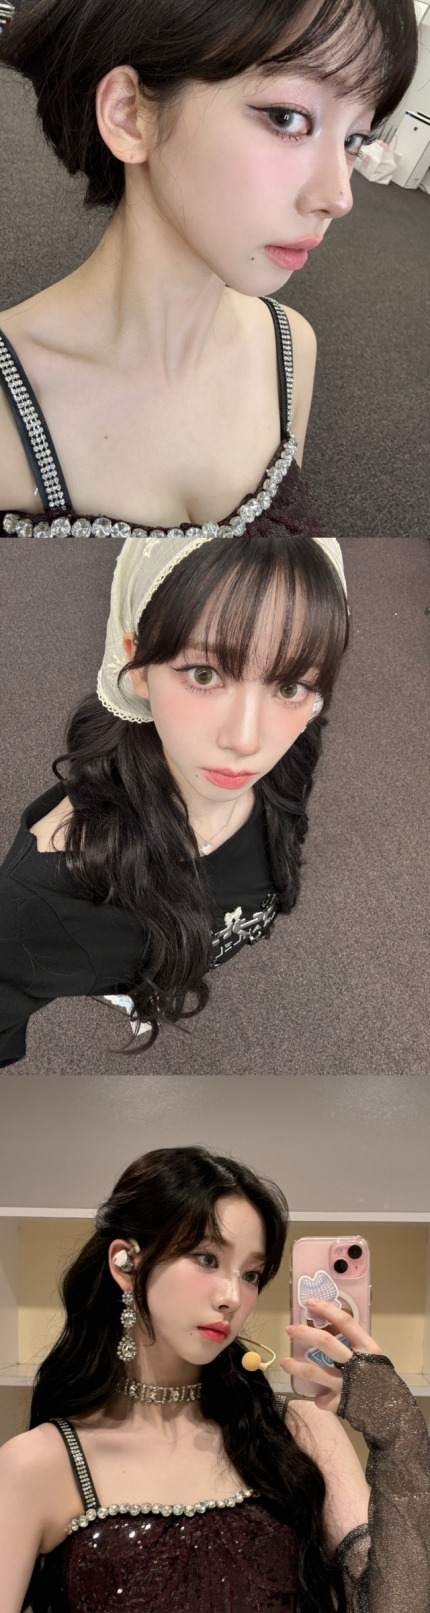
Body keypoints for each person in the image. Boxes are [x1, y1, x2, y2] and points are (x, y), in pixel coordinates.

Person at [0, 0, 417, 537]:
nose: (339, 197)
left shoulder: (291, 349)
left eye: (354, 140)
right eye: (288, 117)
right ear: (130, 114)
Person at [0, 1145, 428, 1612]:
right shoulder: (35, 1464)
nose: (233, 1297)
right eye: (206, 1258)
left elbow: (398, 1603)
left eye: (251, 1274)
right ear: (126, 1262)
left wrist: (398, 1435)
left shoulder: (300, 1434)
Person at [0, 529, 348, 1064]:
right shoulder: (40, 899)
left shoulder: (293, 749)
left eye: (288, 686)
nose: (246, 741)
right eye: (205, 674)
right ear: (138, 666)